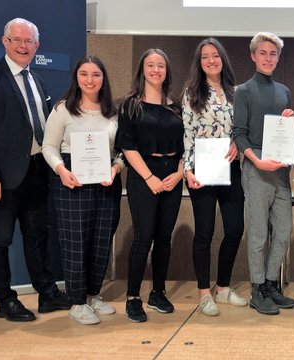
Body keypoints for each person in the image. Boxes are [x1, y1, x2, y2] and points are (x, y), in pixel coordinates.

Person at [0, 17, 70, 322]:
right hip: (3, 177)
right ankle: (4, 300)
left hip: (37, 172)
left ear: (37, 46)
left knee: (37, 235)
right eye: (17, 40)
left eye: (29, 42)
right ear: (5, 42)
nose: (23, 46)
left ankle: (47, 294)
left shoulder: (37, 80)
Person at [41, 55, 123, 325]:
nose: (90, 80)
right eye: (84, 74)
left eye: (96, 74)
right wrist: (61, 171)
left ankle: (92, 294)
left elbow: (122, 151)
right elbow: (49, 147)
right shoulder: (63, 109)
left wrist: (115, 169)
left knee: (101, 239)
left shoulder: (113, 111)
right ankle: (77, 302)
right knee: (76, 242)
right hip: (71, 179)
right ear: (76, 77)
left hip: (106, 181)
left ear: (104, 78)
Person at [115, 49, 184, 323]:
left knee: (164, 238)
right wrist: (148, 178)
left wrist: (179, 174)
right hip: (144, 174)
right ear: (142, 70)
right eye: (151, 65)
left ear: (167, 71)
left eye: (161, 66)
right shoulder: (130, 105)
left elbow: (186, 146)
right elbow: (127, 146)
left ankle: (158, 292)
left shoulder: (175, 106)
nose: (156, 70)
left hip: (173, 175)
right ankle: (133, 297)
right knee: (143, 238)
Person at [232, 32, 294, 315]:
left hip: (281, 172)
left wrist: (287, 123)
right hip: (256, 170)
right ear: (253, 56)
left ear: (278, 58)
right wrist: (257, 162)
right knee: (258, 234)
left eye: (273, 54)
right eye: (263, 53)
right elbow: (240, 135)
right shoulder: (243, 91)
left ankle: (271, 283)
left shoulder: (284, 91)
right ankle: (257, 289)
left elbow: (283, 134)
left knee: (282, 233)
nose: (268, 58)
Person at [182, 38, 247, 316]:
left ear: (223, 59)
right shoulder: (192, 93)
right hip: (203, 169)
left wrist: (238, 143)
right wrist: (187, 170)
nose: (211, 60)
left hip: (231, 167)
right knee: (205, 232)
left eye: (215, 56)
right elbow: (187, 133)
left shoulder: (235, 92)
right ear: (199, 62)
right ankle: (204, 293)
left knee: (234, 229)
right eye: (205, 57)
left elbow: (242, 129)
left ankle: (223, 287)